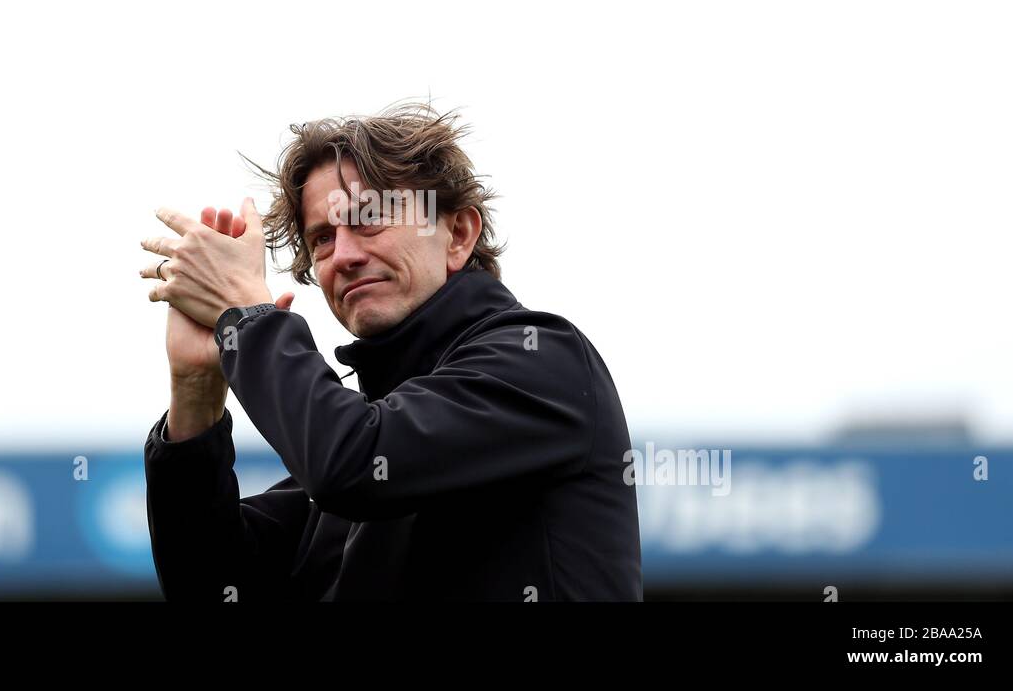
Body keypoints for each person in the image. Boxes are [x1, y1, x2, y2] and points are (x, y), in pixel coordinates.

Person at [138, 103, 642, 601]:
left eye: (370, 219)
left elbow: (354, 462)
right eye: (323, 239)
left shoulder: (542, 360)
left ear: (458, 235)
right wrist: (196, 395)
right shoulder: (358, 442)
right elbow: (213, 587)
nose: (347, 255)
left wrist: (250, 319)